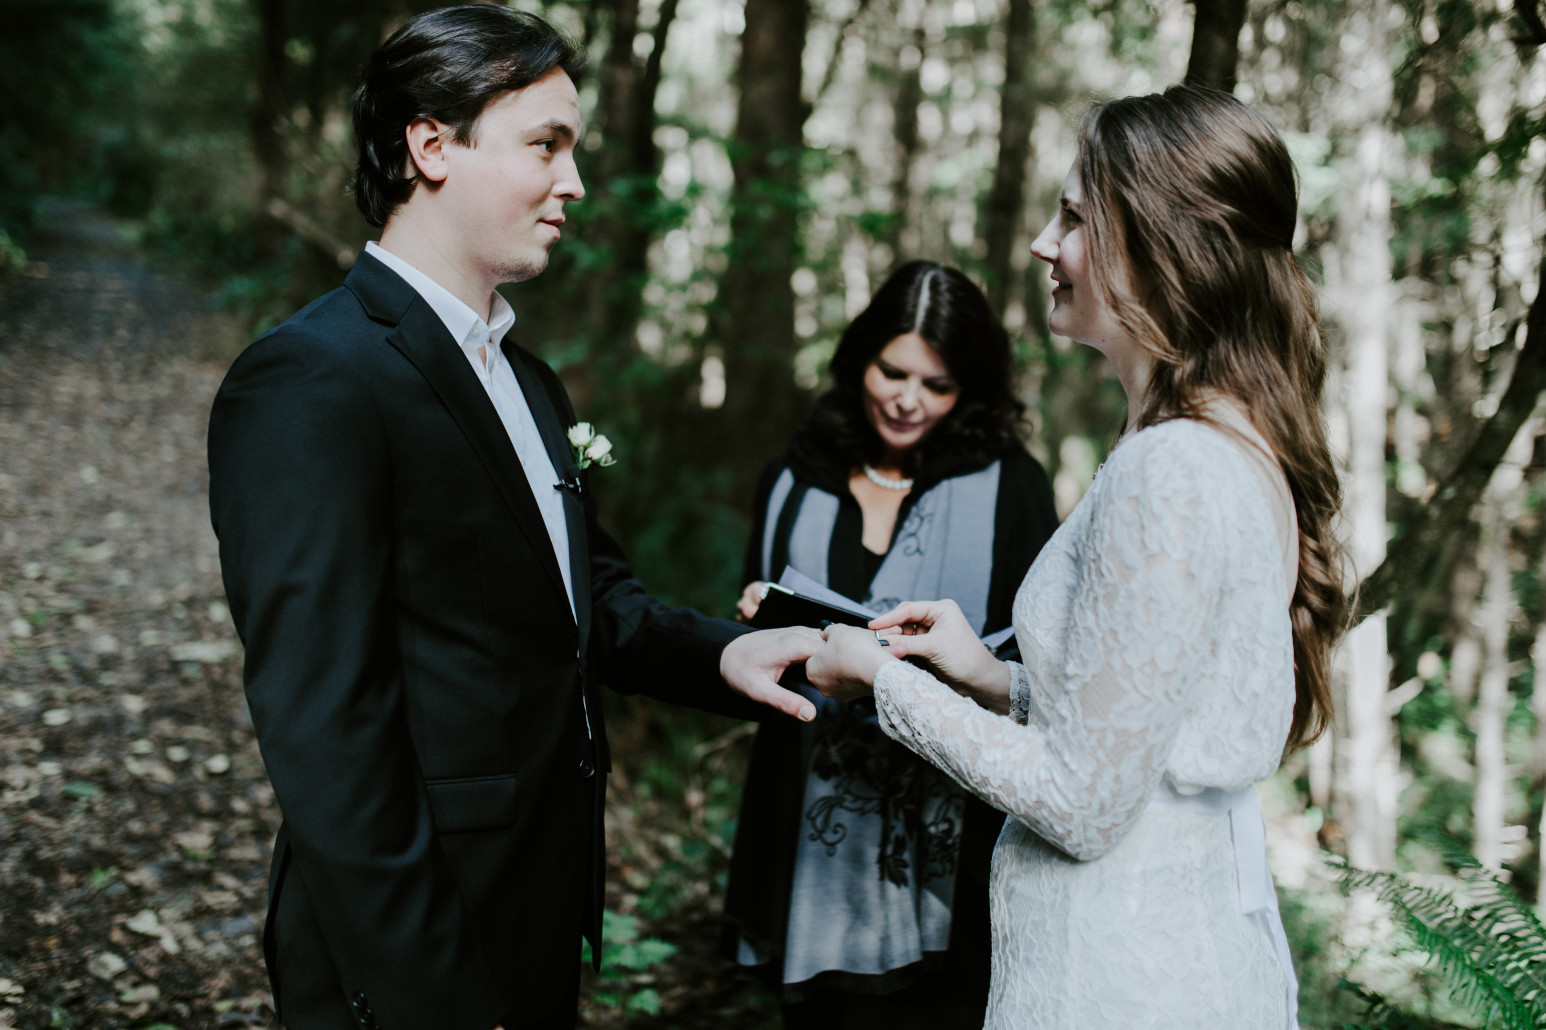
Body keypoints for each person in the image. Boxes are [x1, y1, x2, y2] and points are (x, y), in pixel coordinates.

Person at [206, 8, 820, 1030]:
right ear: (432, 144)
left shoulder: (529, 382)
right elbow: (324, 727)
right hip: (404, 945)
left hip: (537, 910)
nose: (573, 183)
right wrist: (432, 993)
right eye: (546, 144)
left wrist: (731, 657)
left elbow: (588, 604)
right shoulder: (311, 380)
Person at [804, 84, 1348, 1029]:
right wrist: (988, 678)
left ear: (1159, 240)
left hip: (1118, 973)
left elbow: (1084, 800)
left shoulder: (1173, 467)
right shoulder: (1213, 441)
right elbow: (1140, 733)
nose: (1044, 247)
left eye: (1074, 219)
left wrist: (882, 683)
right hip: (1152, 944)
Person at [723, 261, 1058, 1027]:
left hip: (952, 842)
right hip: (806, 821)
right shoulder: (794, 475)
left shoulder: (1012, 487)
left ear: (968, 390)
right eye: (891, 371)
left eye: (936, 385)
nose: (907, 400)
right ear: (859, 361)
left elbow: (1036, 672)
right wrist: (753, 617)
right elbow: (757, 634)